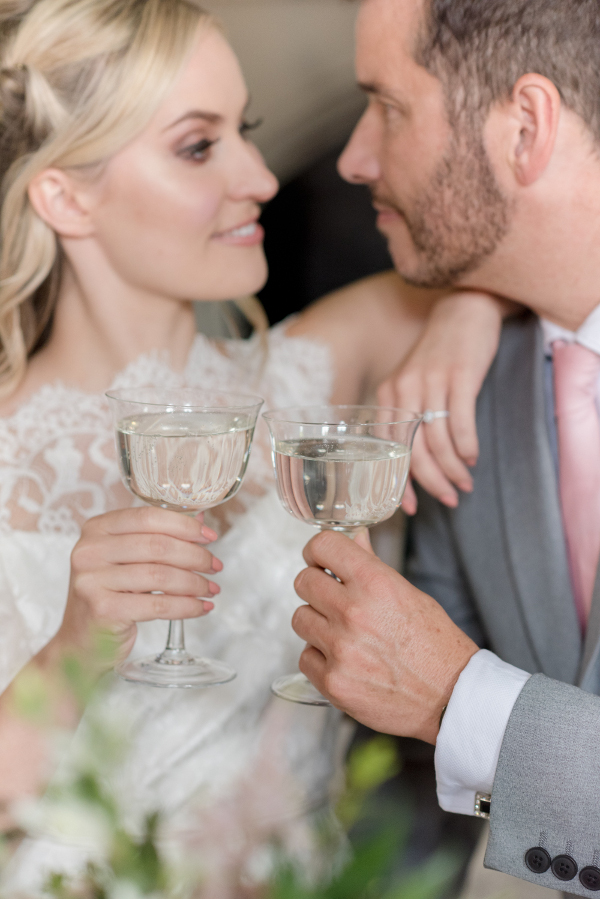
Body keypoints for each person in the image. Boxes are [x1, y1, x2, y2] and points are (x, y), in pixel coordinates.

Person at [0, 0, 507, 889]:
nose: (262, 177)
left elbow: (520, 251)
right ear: (64, 194)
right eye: (200, 146)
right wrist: (70, 647)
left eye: (248, 130)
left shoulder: (325, 366)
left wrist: (470, 310)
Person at [292, 0, 600, 895]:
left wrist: (454, 696)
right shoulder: (463, 390)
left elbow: (437, 685)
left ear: (527, 127)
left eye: (388, 106)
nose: (352, 157)